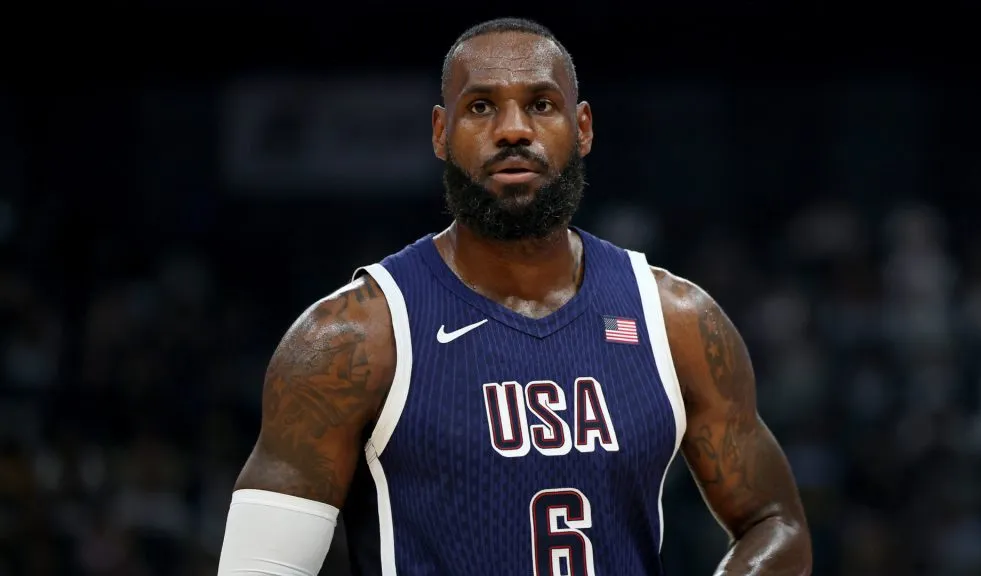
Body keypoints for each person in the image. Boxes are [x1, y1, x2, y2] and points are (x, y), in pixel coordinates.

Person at [217, 17, 812, 576]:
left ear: (581, 129)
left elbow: (775, 523)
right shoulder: (351, 337)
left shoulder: (675, 320)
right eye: (481, 107)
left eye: (540, 105)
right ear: (440, 133)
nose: (513, 129)